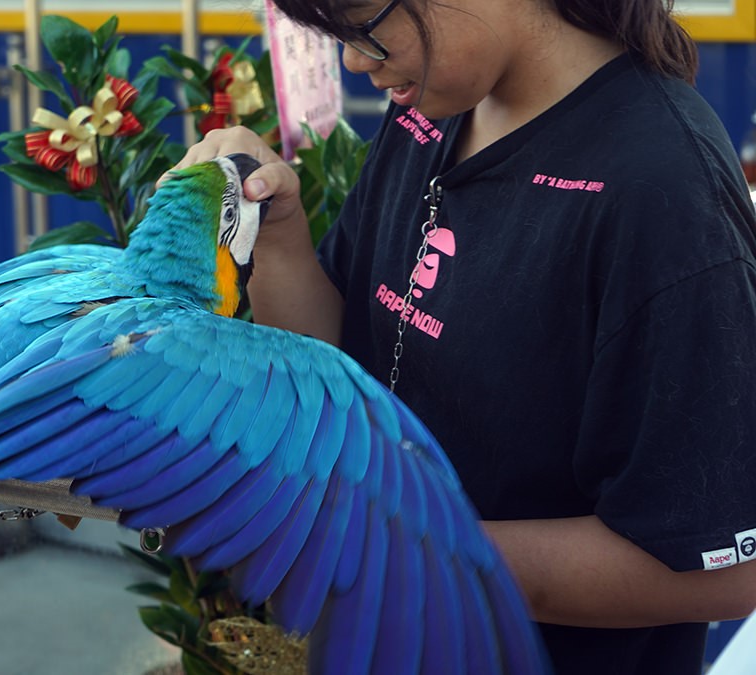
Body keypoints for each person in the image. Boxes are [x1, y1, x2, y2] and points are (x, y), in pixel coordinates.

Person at [169, 0, 756, 673]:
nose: (356, 62)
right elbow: (343, 362)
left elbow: (715, 567)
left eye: (363, 26)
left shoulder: (664, 190)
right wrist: (276, 233)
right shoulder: (430, 112)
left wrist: (404, 551)